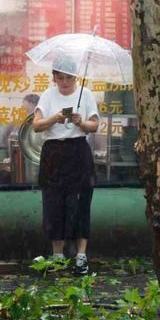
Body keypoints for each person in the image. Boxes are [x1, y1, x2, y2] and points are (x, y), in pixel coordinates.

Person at [32, 57, 99, 276]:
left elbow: (94, 125)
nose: (64, 82)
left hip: (78, 152)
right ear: (53, 78)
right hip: (53, 153)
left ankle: (81, 256)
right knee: (54, 203)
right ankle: (58, 255)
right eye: (59, 78)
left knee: (80, 203)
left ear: (75, 77)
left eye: (68, 77)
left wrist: (80, 122)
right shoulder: (48, 95)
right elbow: (36, 125)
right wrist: (55, 118)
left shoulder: (86, 95)